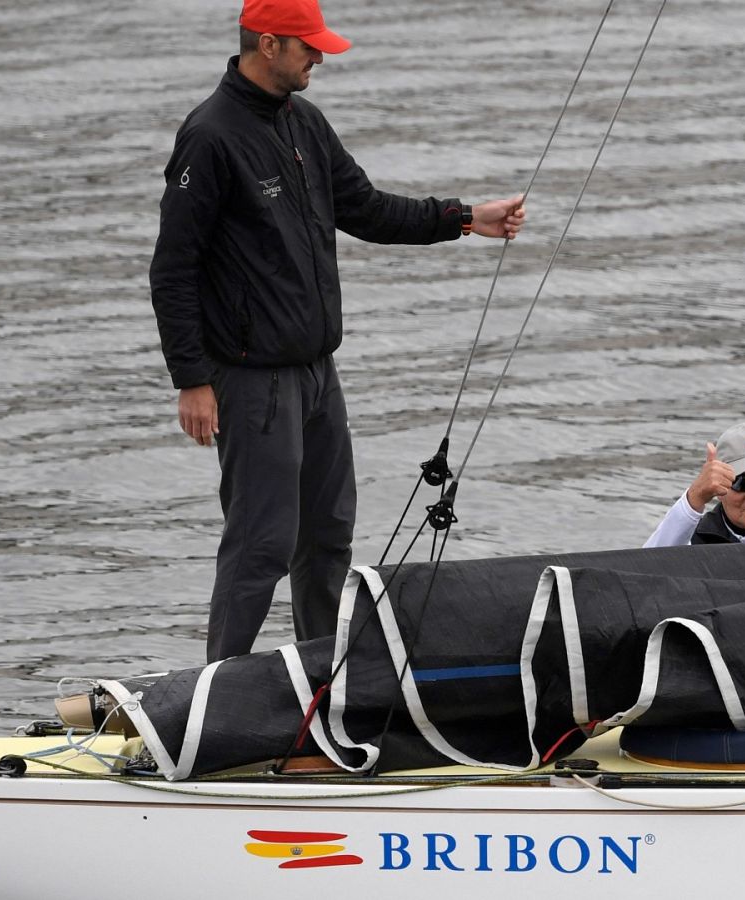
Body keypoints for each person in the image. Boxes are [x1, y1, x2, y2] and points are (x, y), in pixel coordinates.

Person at [149, 0, 527, 662]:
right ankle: (216, 696)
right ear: (267, 45)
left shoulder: (306, 125)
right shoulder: (210, 137)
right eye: (307, 48)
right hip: (250, 377)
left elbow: (368, 209)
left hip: (318, 375)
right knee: (262, 542)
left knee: (327, 535)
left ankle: (320, 684)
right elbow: (171, 271)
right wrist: (192, 381)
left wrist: (466, 218)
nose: (319, 58)